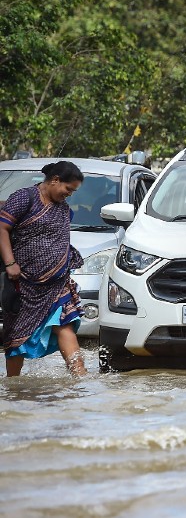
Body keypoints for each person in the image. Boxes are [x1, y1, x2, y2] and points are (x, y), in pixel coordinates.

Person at [1, 161, 86, 377]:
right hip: (24, 282)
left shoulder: (63, 209)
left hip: (58, 282)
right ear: (55, 180)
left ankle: (80, 377)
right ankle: (13, 384)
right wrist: (10, 263)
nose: (70, 195)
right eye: (68, 189)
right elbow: (2, 227)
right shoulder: (24, 198)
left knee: (65, 323)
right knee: (17, 336)